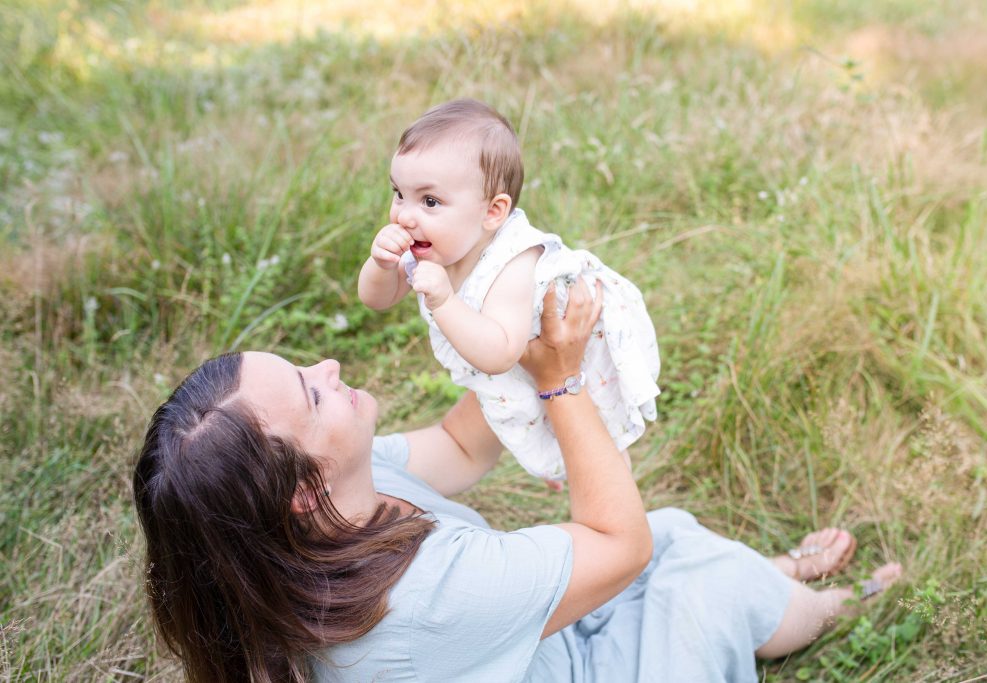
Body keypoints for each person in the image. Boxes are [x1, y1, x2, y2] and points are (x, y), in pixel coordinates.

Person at [133, 282, 901, 683]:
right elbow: (618, 542)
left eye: (304, 364)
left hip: (535, 650)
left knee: (674, 529)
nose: (328, 368)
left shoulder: (324, 511)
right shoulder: (426, 600)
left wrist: (514, 342)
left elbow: (461, 443)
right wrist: (561, 385)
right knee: (698, 576)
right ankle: (839, 606)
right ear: (300, 488)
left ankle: (786, 574)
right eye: (311, 392)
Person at [357, 98, 659, 481]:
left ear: (493, 212)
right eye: (399, 193)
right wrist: (381, 265)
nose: (404, 214)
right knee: (536, 421)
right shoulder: (434, 243)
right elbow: (376, 299)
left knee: (598, 443)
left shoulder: (513, 265)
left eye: (429, 201)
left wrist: (446, 301)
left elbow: (500, 353)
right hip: (527, 355)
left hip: (585, 349)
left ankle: (619, 513)